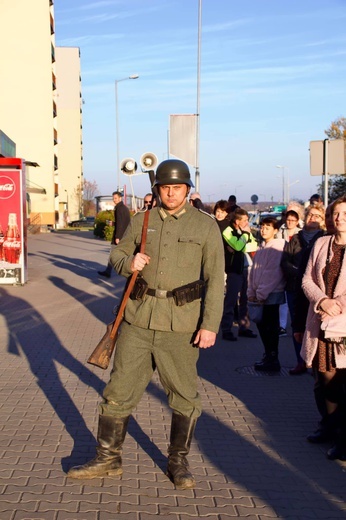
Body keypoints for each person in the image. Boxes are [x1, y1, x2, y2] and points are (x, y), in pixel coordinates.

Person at [67, 159, 225, 489]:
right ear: (158, 189)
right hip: (138, 320)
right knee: (118, 390)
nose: (171, 192)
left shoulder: (205, 226)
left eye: (177, 187)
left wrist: (209, 325)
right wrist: (129, 261)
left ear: (187, 189)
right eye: (165, 187)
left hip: (181, 325)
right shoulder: (143, 219)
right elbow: (117, 255)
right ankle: (108, 459)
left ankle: (177, 462)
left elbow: (215, 280)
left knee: (184, 396)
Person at [300, 196, 346, 460]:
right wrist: (322, 300)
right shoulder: (321, 243)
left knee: (344, 383)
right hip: (320, 323)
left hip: (343, 325)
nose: (339, 218)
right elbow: (307, 279)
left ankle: (343, 438)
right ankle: (329, 426)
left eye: (344, 213)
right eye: (335, 213)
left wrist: (337, 303)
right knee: (325, 379)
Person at [281, 203, 325, 376]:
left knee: (316, 325)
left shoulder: (324, 238)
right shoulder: (297, 239)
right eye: (310, 215)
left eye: (317, 216)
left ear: (321, 221)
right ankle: (300, 360)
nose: (312, 218)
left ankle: (316, 361)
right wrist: (299, 273)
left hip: (317, 292)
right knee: (297, 325)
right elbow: (285, 261)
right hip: (295, 288)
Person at [247, 216, 286, 371]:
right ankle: (268, 355)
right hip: (260, 294)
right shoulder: (262, 247)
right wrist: (251, 290)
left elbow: (273, 272)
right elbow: (254, 271)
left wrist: (261, 293)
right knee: (262, 326)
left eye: (268, 227)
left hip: (271, 293)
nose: (263, 230)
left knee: (270, 327)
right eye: (262, 227)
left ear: (275, 230)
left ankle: (272, 358)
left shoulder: (277, 247)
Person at [221, 208, 258, 341]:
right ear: (237, 221)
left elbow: (254, 246)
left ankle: (244, 327)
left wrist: (242, 244)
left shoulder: (245, 232)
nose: (248, 223)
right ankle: (226, 328)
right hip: (234, 270)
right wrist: (245, 237)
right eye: (245, 220)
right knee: (231, 299)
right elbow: (237, 246)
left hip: (246, 268)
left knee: (245, 299)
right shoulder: (228, 231)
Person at [277, 209, 302, 337]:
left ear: (297, 221)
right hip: (282, 267)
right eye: (288, 220)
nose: (290, 222)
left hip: (295, 270)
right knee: (283, 300)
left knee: (294, 299)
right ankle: (282, 326)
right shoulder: (280, 232)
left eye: (293, 220)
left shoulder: (301, 235)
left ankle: (296, 326)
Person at [98, 191, 131, 278]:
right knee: (119, 253)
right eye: (113, 198)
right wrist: (113, 223)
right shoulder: (123, 208)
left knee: (113, 254)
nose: (114, 200)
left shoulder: (119, 209)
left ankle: (111, 271)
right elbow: (122, 222)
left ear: (120, 198)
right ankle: (109, 271)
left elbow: (121, 224)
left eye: (115, 198)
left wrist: (117, 237)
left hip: (120, 235)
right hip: (124, 234)